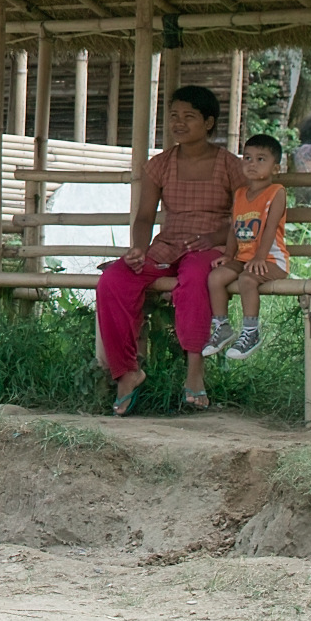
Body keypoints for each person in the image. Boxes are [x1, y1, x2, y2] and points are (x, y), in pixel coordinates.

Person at [97, 85, 245, 415]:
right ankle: (127, 372)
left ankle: (195, 370)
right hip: (167, 246)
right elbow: (144, 217)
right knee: (114, 280)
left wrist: (213, 236)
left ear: (208, 122)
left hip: (212, 247)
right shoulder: (159, 165)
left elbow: (244, 218)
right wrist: (138, 249)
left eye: (188, 117)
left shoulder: (231, 165)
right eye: (174, 116)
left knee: (195, 277)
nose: (178, 123)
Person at [204, 134, 291, 362]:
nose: (252, 164)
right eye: (248, 158)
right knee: (215, 277)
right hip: (245, 259)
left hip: (271, 260)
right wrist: (228, 255)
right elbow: (235, 227)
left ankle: (251, 332)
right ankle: (222, 326)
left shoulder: (277, 192)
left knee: (247, 279)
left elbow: (270, 227)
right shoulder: (240, 193)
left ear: (276, 168)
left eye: (261, 159)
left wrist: (260, 257)